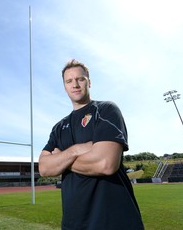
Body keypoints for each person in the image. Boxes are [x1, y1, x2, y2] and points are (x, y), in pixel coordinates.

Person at [39, 59, 144, 230]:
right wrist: (77, 150)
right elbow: (44, 168)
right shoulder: (58, 127)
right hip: (73, 224)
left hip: (114, 221)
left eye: (80, 79)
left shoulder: (105, 110)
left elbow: (105, 164)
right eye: (69, 81)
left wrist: (60, 160)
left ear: (89, 81)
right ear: (64, 86)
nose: (75, 84)